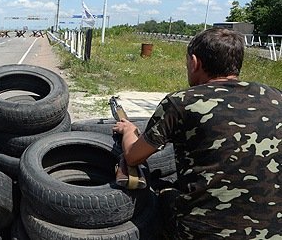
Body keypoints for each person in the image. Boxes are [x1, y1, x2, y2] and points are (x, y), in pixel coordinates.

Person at [112, 27, 281, 239]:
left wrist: (128, 130)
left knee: (157, 193)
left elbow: (133, 156)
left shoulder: (182, 102)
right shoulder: (276, 97)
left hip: (203, 230)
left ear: (194, 62)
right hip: (273, 231)